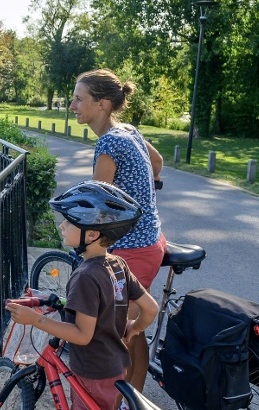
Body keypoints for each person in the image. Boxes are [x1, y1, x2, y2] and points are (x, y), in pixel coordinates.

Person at [7, 181, 159, 410]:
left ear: (92, 234)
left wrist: (35, 319)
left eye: (70, 222)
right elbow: (151, 308)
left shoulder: (85, 277)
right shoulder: (118, 264)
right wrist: (134, 328)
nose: (62, 226)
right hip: (115, 365)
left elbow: (82, 335)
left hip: (92, 372)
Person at [69, 68, 165, 393]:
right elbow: (158, 163)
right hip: (151, 239)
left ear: (103, 104)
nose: (72, 106)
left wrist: (72, 229)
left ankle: (130, 397)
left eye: (80, 99)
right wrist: (144, 196)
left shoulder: (108, 145)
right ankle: (129, 392)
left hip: (134, 250)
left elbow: (97, 206)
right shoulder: (129, 131)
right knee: (127, 323)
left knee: (123, 330)